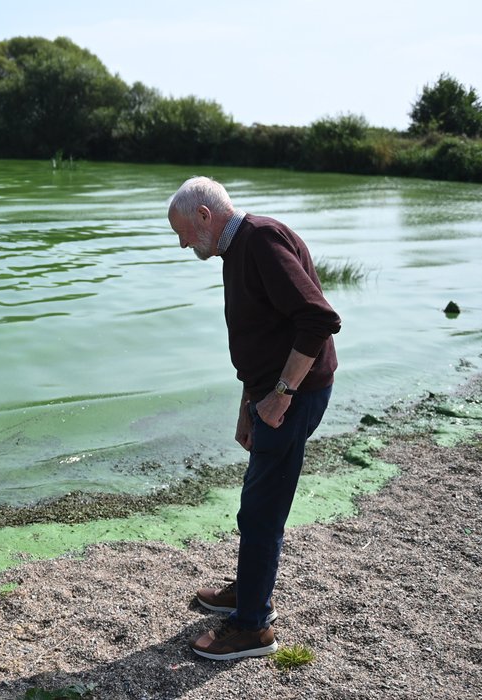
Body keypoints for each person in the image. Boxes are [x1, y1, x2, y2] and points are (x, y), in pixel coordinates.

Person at [166, 176, 341, 660]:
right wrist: (249, 403)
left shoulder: (260, 241)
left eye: (183, 232)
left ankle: (253, 628)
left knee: (262, 509)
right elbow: (261, 334)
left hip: (293, 397)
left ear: (205, 215)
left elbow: (318, 319)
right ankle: (249, 591)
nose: (183, 244)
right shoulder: (238, 248)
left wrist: (281, 395)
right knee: (256, 501)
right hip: (269, 395)